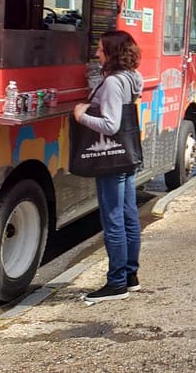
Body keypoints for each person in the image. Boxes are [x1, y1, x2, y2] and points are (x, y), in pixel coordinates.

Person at [73, 30, 145, 303]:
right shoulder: (131, 77)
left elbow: (110, 125)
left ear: (113, 53)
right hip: (127, 156)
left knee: (113, 220)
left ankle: (116, 283)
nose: (97, 53)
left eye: (102, 50)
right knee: (129, 217)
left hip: (111, 158)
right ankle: (130, 276)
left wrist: (82, 117)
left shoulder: (114, 82)